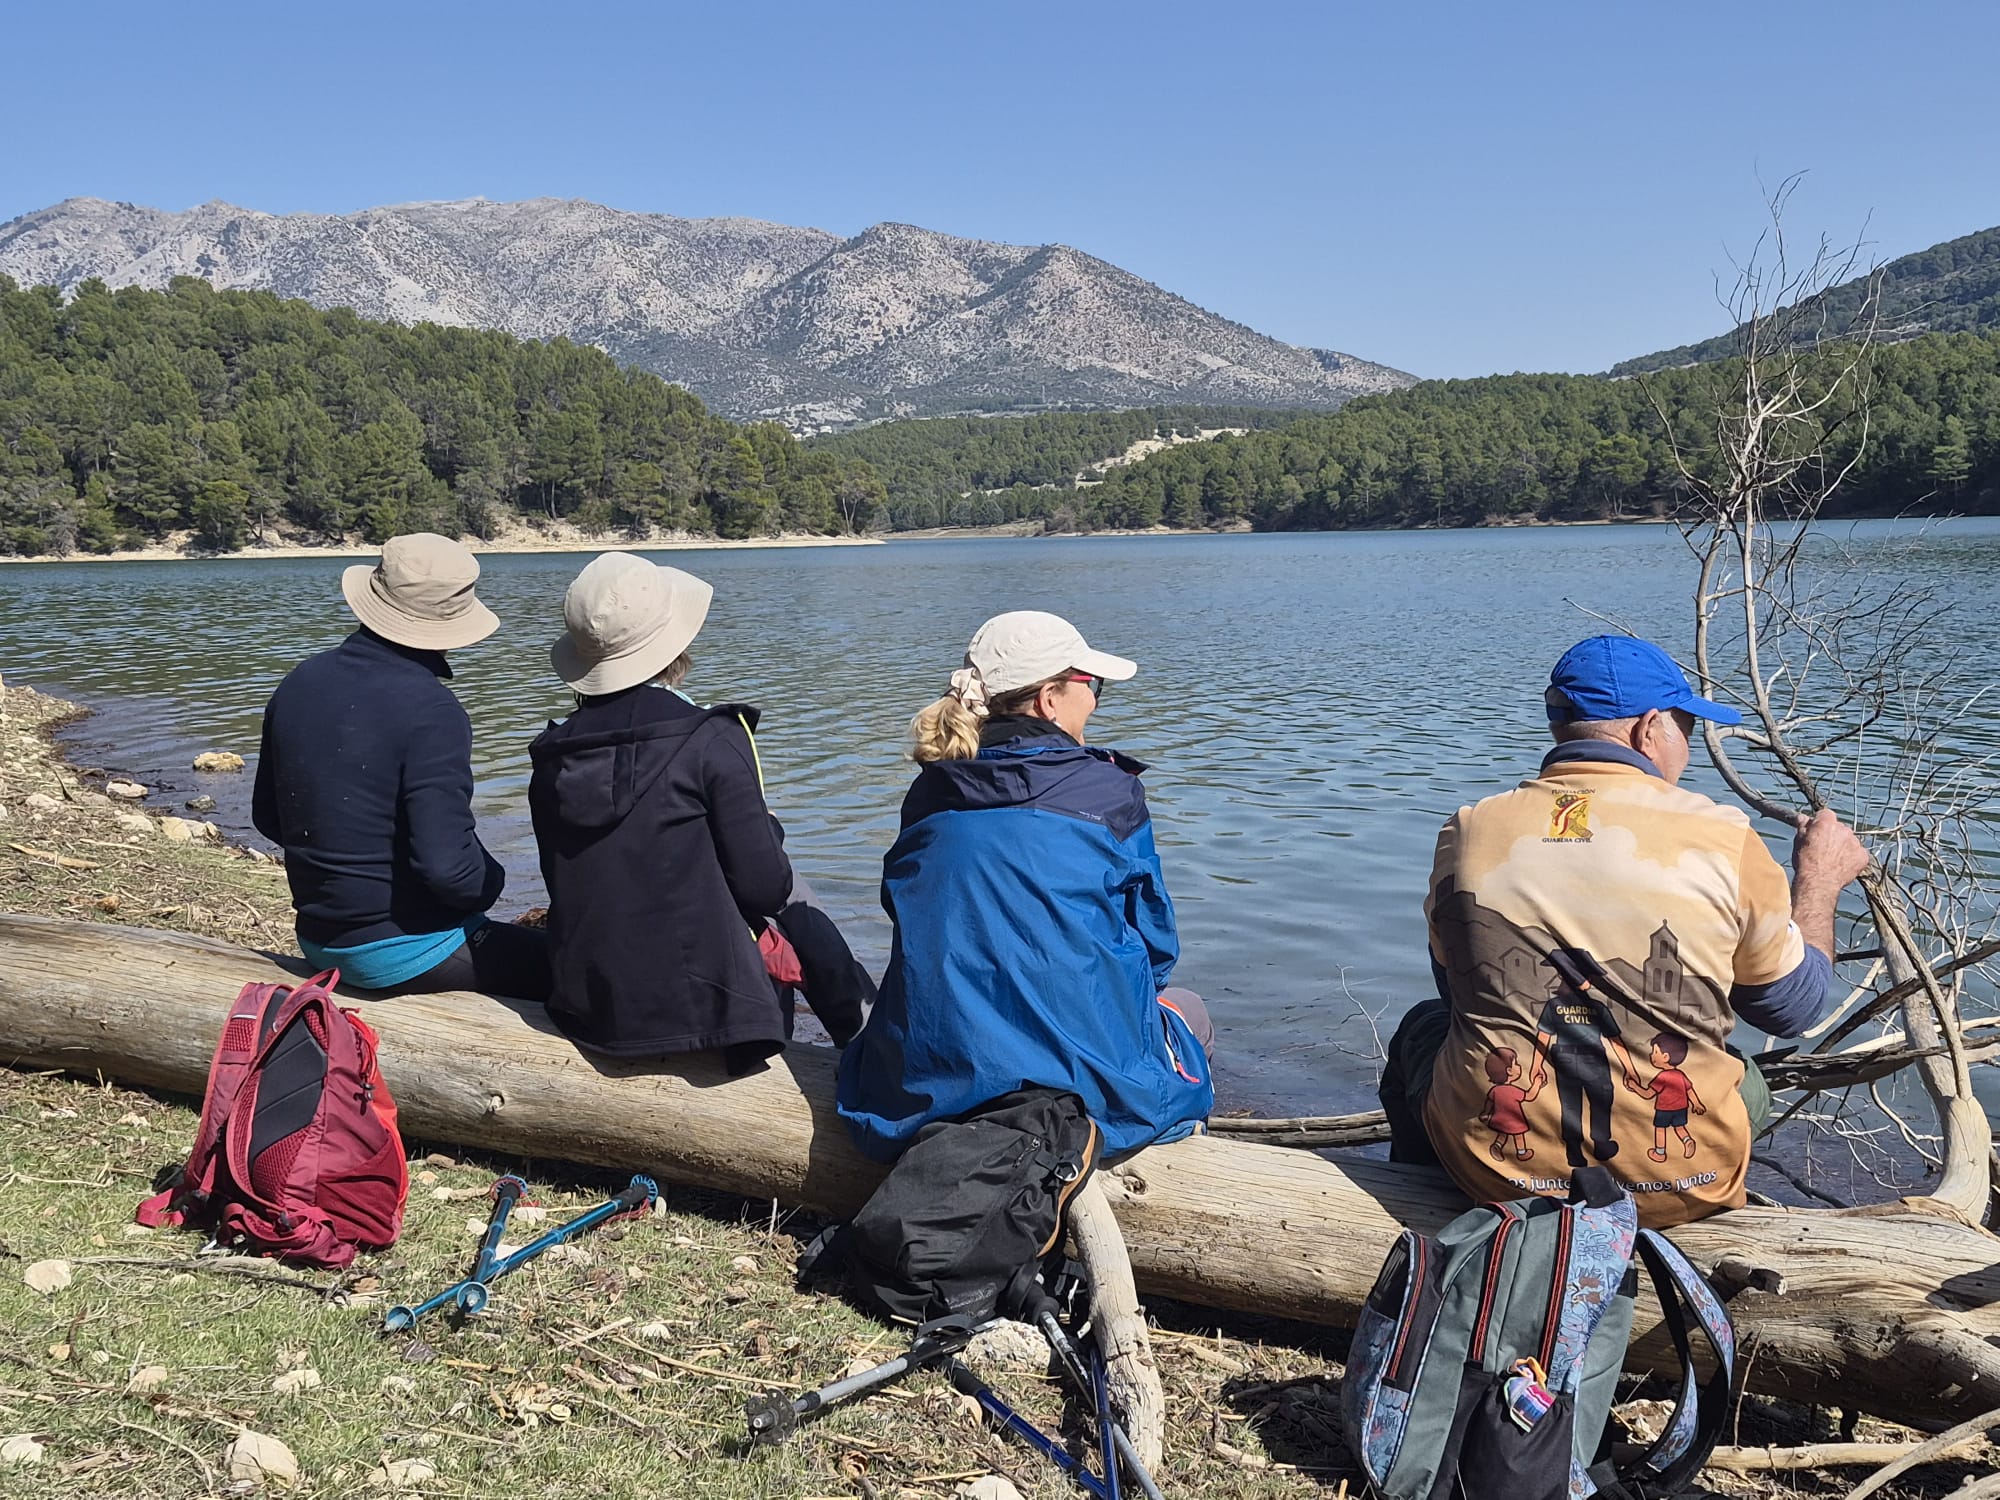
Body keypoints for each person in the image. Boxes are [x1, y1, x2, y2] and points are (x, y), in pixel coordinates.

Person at [1379, 634, 1873, 1227]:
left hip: (1495, 1179)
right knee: (1746, 1080)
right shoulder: (1722, 837)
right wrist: (1818, 881)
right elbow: (1793, 1010)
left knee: (1424, 1028)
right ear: (1649, 727)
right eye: (1686, 727)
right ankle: (1678, 1194)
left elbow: (1457, 988)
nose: (1686, 746)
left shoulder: (1469, 831)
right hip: (1681, 1190)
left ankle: (1419, 1202)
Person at [836, 610, 1215, 1162]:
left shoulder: (930, 794)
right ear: (1048, 700)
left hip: (925, 1088)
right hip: (1080, 1099)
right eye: (1093, 685)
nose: (1096, 699)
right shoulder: (1110, 795)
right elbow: (1156, 949)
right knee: (1189, 1010)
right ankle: (1192, 1166)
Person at [528, 552, 873, 1069]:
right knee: (794, 891)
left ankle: (861, 1030)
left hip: (590, 1013)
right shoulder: (712, 738)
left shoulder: (551, 757)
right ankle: (866, 1038)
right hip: (717, 1019)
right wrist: (766, 828)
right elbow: (765, 888)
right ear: (672, 646)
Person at [253, 533, 550, 1000]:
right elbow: (451, 873)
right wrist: (494, 878)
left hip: (317, 938)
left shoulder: (300, 680)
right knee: (574, 970)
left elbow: (269, 817)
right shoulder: (433, 710)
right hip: (403, 953)